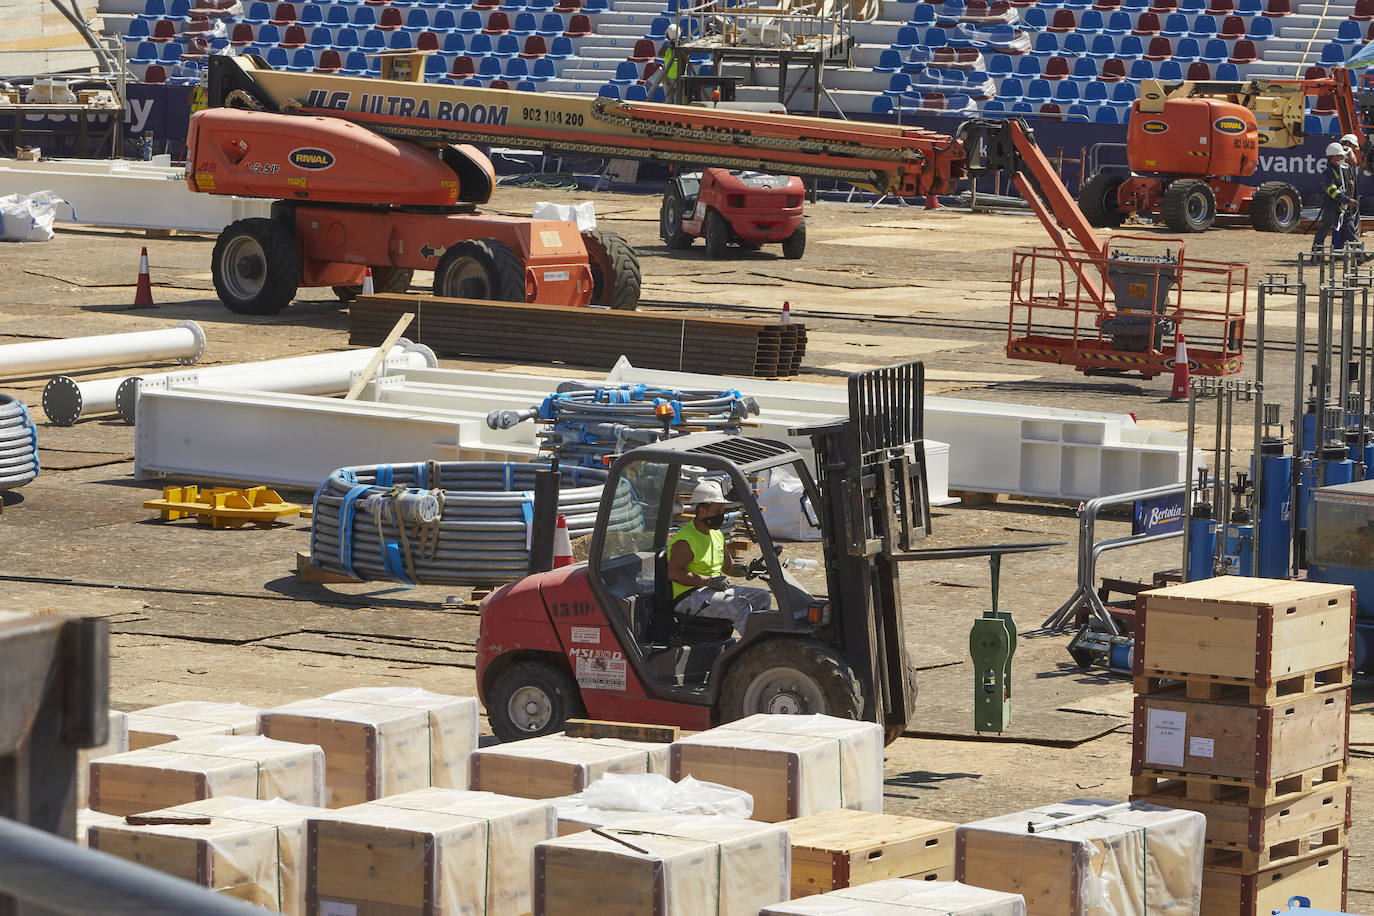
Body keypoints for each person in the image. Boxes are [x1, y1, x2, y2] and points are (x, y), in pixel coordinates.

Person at [667, 479, 771, 633]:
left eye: (723, 510)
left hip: (712, 590)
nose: (722, 515)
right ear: (702, 511)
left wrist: (748, 569)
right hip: (688, 596)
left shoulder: (716, 534)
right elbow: (674, 573)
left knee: (762, 596)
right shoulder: (685, 540)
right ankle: (753, 649)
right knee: (740, 606)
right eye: (718, 511)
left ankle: (764, 640)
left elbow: (728, 567)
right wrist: (708, 581)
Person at [1314, 141, 1354, 254]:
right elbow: (1332, 190)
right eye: (1339, 156)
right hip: (1331, 205)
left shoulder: (1343, 170)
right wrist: (1346, 199)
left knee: (1349, 228)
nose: (1342, 158)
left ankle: (1359, 255)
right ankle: (1316, 255)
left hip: (1341, 205)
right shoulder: (1327, 173)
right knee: (1324, 229)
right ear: (1332, 157)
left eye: (1342, 156)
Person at [1341, 132, 1363, 242]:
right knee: (1345, 218)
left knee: (1342, 221)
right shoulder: (1345, 150)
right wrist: (1350, 150)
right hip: (1343, 192)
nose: (1354, 150)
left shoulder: (1336, 153)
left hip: (1341, 192)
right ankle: (1357, 250)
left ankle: (1338, 249)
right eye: (1354, 147)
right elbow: (1354, 161)